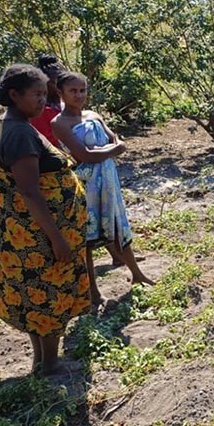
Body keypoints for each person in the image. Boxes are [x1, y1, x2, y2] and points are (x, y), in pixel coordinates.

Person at [0, 64, 91, 375]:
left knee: (35, 298)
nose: (44, 100)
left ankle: (41, 360)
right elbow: (30, 192)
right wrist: (57, 238)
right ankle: (51, 363)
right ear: (14, 95)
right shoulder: (18, 135)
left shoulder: (3, 125)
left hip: (27, 234)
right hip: (37, 237)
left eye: (46, 93)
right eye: (37, 94)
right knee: (48, 296)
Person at [52, 72, 154, 310]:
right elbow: (84, 155)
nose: (79, 95)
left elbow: (114, 139)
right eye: (73, 91)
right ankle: (93, 291)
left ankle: (137, 274)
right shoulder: (60, 123)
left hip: (108, 180)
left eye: (82, 90)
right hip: (84, 185)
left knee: (118, 225)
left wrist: (109, 148)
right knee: (87, 237)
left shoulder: (93, 115)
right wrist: (113, 150)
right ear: (61, 93)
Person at [29, 54, 65, 148]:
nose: (59, 87)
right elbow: (50, 142)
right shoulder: (39, 111)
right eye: (54, 83)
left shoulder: (65, 105)